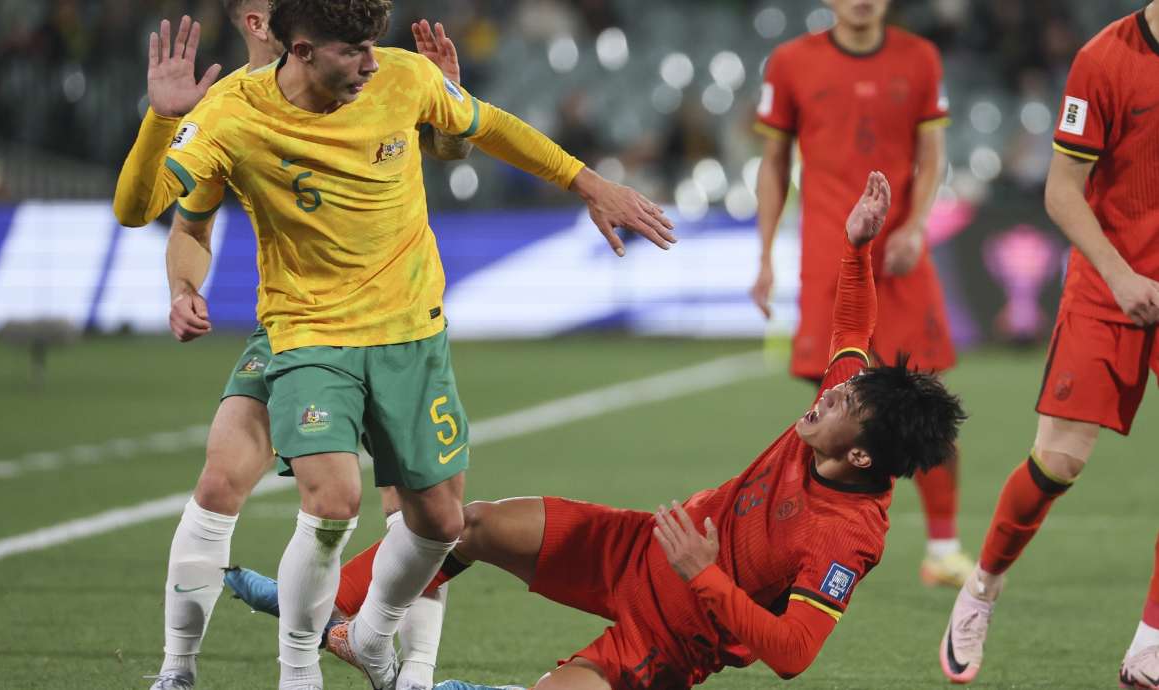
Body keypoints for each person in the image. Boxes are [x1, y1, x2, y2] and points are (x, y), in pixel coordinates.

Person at [112, 2, 676, 688]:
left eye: (373, 47)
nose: (371, 62)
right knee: (324, 498)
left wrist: (587, 181)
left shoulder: (401, 77)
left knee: (439, 520)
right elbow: (144, 212)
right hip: (308, 331)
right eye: (354, 51)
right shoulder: (229, 113)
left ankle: (376, 641)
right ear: (298, 45)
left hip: (411, 332)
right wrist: (161, 120)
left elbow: (484, 126)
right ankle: (274, 672)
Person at [227, 173, 968, 690]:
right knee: (466, 525)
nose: (827, 395)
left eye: (843, 406)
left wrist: (702, 574)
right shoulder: (844, 407)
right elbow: (852, 325)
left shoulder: (848, 537)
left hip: (671, 640)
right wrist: (858, 247)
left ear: (862, 455)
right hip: (637, 546)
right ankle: (339, 617)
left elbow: (794, 654)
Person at [147, 2, 472, 688]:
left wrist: (451, 115)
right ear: (252, 20)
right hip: (295, 327)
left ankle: (410, 669)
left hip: (388, 321)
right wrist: (182, 289)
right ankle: (178, 670)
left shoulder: (363, 83)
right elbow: (190, 226)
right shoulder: (229, 115)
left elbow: (447, 146)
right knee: (220, 479)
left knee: (415, 506)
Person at [940, 5, 1159, 687]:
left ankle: (1149, 643)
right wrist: (1121, 276)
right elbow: (1063, 192)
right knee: (1058, 462)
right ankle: (981, 587)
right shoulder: (1105, 59)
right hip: (1109, 282)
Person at [750, 0, 972, 587]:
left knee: (928, 401)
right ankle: (800, 545)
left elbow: (931, 155)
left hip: (900, 259)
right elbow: (773, 163)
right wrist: (765, 253)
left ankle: (944, 548)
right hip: (831, 263)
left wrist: (918, 225)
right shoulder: (791, 62)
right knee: (828, 418)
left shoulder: (919, 58)